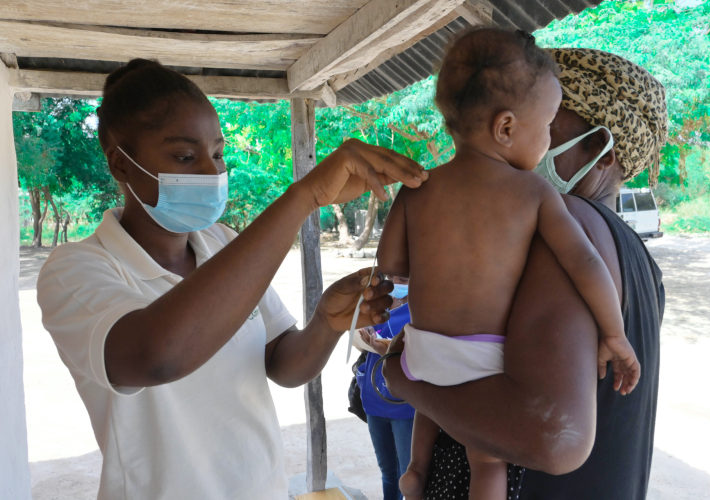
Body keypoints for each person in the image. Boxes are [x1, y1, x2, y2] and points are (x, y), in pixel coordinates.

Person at [35, 58, 429, 500]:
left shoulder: (221, 243)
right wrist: (304, 197)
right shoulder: (77, 269)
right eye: (185, 156)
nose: (211, 171)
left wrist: (326, 324)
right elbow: (158, 356)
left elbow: (282, 364)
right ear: (121, 165)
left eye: (218, 153)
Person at [383, 46, 668, 500]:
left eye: (552, 124)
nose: (540, 140)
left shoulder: (563, 221)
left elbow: (555, 441)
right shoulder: (642, 261)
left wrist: (402, 381)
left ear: (599, 148)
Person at [354, 276, 415, 500]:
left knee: (408, 475)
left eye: (404, 279)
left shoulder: (424, 309)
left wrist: (384, 351)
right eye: (394, 277)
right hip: (374, 399)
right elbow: (356, 336)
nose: (397, 282)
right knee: (388, 472)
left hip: (404, 404)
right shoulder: (377, 303)